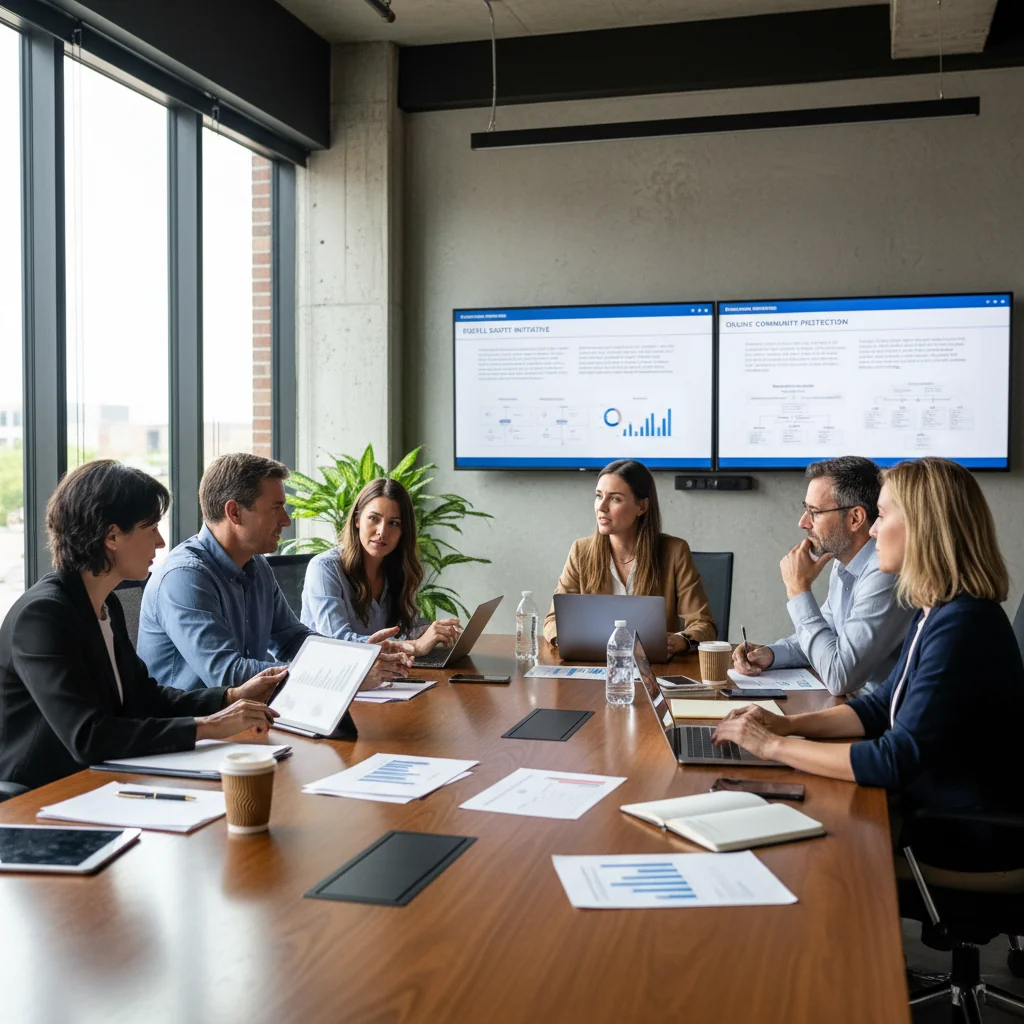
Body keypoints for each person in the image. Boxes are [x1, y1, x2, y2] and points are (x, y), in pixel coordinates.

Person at [714, 457, 1024, 814]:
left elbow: (894, 760)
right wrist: (785, 725)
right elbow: (880, 706)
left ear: (923, 528)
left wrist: (771, 746)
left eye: (883, 515)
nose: (874, 531)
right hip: (929, 801)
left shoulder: (963, 623)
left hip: (957, 829)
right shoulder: (938, 610)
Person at [0, 461, 283, 791]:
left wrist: (230, 697)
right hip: (42, 797)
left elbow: (144, 698)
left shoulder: (107, 605)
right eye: (151, 529)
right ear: (112, 535)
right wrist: (206, 727)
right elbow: (89, 736)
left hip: (102, 781)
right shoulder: (43, 616)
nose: (161, 543)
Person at [138, 453, 410, 693]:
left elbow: (292, 639)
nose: (286, 520)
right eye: (276, 508)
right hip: (196, 736)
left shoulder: (256, 566)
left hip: (248, 719)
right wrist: (341, 675)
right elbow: (227, 674)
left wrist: (354, 657)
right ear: (234, 512)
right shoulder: (185, 577)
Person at [732, 456, 913, 696]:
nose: (802, 523)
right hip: (856, 707)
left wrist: (798, 589)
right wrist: (772, 654)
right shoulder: (844, 563)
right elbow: (827, 634)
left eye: (814, 512)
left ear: (855, 518)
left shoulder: (884, 573)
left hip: (879, 716)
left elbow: (840, 676)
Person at [543, 459, 716, 655]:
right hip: (594, 665)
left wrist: (680, 640)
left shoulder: (674, 551)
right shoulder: (580, 551)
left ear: (641, 507)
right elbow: (552, 621)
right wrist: (567, 639)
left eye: (615, 499)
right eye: (599, 496)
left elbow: (704, 624)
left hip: (653, 670)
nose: (602, 507)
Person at [300, 478, 461, 656]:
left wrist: (433, 631)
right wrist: (413, 646)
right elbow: (337, 640)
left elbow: (402, 631)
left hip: (379, 673)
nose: (382, 532)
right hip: (331, 676)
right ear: (357, 520)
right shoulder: (324, 568)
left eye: (394, 523)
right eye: (374, 519)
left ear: (403, 531)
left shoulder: (397, 570)